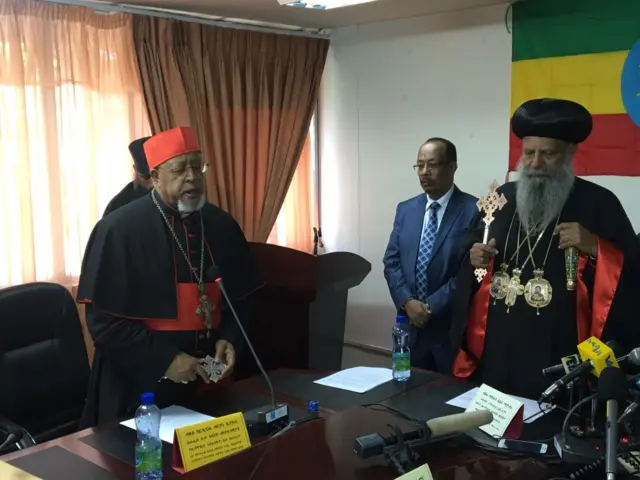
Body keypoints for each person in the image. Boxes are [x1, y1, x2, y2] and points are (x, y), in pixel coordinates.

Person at [450, 98, 640, 399]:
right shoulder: (501, 198)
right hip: (499, 344)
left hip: (557, 350)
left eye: (548, 154)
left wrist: (595, 247)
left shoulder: (599, 203)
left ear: (570, 153)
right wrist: (473, 255)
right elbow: (468, 249)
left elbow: (633, 273)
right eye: (529, 153)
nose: (535, 164)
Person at [77, 126, 262, 427]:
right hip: (139, 391)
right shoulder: (119, 230)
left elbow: (241, 300)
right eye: (179, 169)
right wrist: (165, 361)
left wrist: (230, 338)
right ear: (155, 177)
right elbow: (105, 322)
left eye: (196, 166)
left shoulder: (222, 225)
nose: (191, 177)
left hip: (208, 387)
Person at [383, 138, 478, 373]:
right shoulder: (405, 209)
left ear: (452, 167)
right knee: (406, 396)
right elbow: (391, 261)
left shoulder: (474, 210)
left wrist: (430, 307)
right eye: (420, 165)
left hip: (448, 328)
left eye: (432, 165)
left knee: (448, 400)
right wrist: (407, 302)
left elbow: (470, 271)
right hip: (409, 328)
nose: (424, 173)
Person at [102, 136, 153, 217]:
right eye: (147, 176)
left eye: (157, 175)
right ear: (135, 169)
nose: (153, 183)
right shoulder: (118, 205)